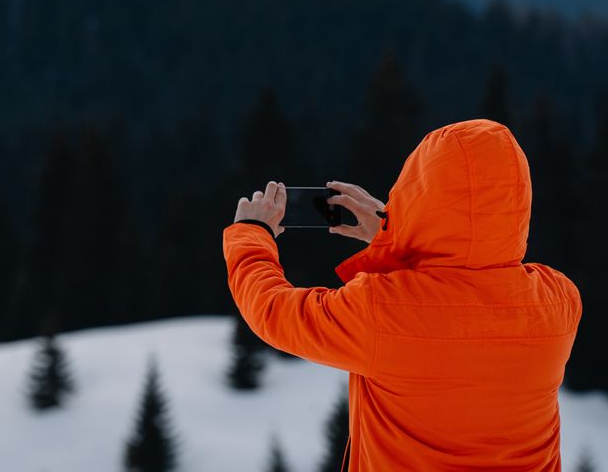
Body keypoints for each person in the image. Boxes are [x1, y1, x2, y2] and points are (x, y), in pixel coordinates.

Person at [224, 118, 581, 471]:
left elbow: (273, 310)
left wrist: (251, 233)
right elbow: (468, 278)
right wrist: (394, 238)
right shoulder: (559, 302)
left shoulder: (380, 310)